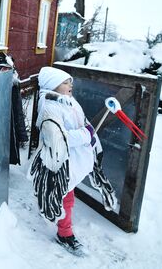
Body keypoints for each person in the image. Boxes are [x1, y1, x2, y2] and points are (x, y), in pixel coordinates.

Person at [28, 66, 116, 255]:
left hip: (74, 159)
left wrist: (89, 134)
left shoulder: (69, 101)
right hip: (61, 162)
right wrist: (86, 134)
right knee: (65, 196)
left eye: (71, 82)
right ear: (53, 85)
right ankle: (65, 234)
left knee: (67, 193)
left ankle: (63, 225)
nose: (70, 85)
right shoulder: (50, 107)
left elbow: (81, 122)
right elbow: (59, 137)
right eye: (65, 82)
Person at [0, 52, 29, 165]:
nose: (6, 72)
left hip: (8, 128)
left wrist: (21, 134)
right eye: (3, 68)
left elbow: (18, 112)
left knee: (5, 153)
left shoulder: (13, 89)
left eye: (8, 69)